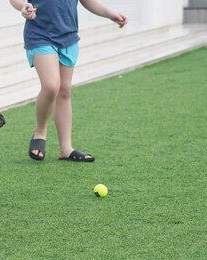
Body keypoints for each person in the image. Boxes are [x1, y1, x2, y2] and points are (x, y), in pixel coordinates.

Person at [9, 0, 127, 162]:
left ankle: (66, 149)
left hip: (68, 35)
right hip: (40, 33)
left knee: (64, 91)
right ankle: (40, 132)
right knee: (51, 86)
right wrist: (23, 6)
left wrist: (109, 13)